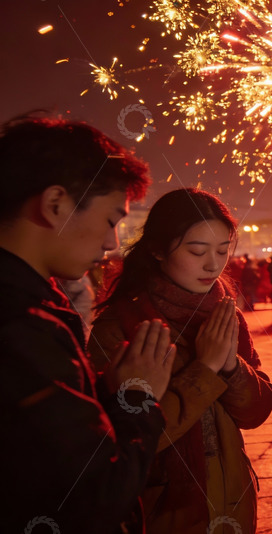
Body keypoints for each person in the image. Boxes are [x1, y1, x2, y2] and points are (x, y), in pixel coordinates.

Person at [0, 115, 175, 533]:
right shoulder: (22, 328)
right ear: (55, 204)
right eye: (111, 220)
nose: (112, 242)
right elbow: (97, 494)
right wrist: (137, 396)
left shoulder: (37, 304)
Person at [89, 188, 272, 534]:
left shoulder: (224, 313)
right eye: (197, 251)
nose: (213, 264)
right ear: (157, 249)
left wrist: (232, 368)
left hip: (232, 497)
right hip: (163, 512)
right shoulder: (121, 327)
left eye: (222, 250)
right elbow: (122, 440)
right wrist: (205, 370)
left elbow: (257, 412)